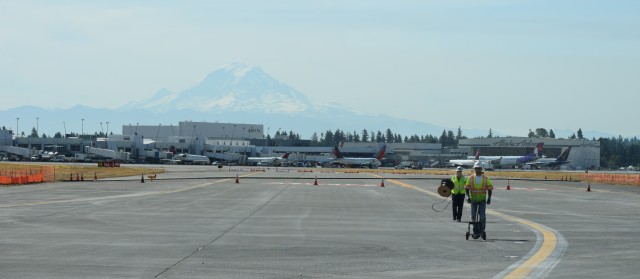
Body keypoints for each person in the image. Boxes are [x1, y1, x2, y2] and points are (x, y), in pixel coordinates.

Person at [465, 162, 493, 240]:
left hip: (482, 200)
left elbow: (489, 188)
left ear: (481, 169)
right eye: (476, 168)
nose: (477, 170)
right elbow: (467, 188)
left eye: (479, 168)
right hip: (473, 200)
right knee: (473, 217)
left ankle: (481, 230)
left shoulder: (485, 178)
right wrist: (468, 197)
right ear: (474, 169)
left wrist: (489, 198)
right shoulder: (470, 178)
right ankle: (475, 231)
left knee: (482, 217)